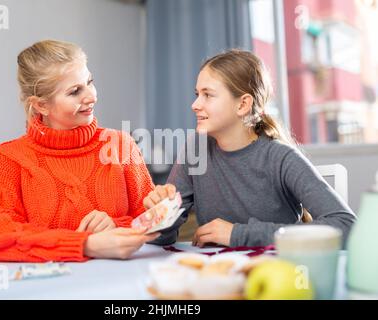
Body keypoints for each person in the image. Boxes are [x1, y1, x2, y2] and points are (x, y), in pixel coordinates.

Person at [144, 49, 356, 248]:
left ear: (243, 105)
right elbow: (162, 239)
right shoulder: (195, 149)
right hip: (220, 275)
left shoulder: (281, 158)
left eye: (208, 95)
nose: (195, 104)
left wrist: (238, 234)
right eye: (197, 94)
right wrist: (160, 216)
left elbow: (347, 227)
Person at [0, 40, 158, 262]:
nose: (91, 96)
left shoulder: (122, 145)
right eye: (75, 91)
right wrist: (86, 244)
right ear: (41, 105)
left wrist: (116, 225)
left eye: (90, 82)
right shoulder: (6, 160)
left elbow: (152, 221)